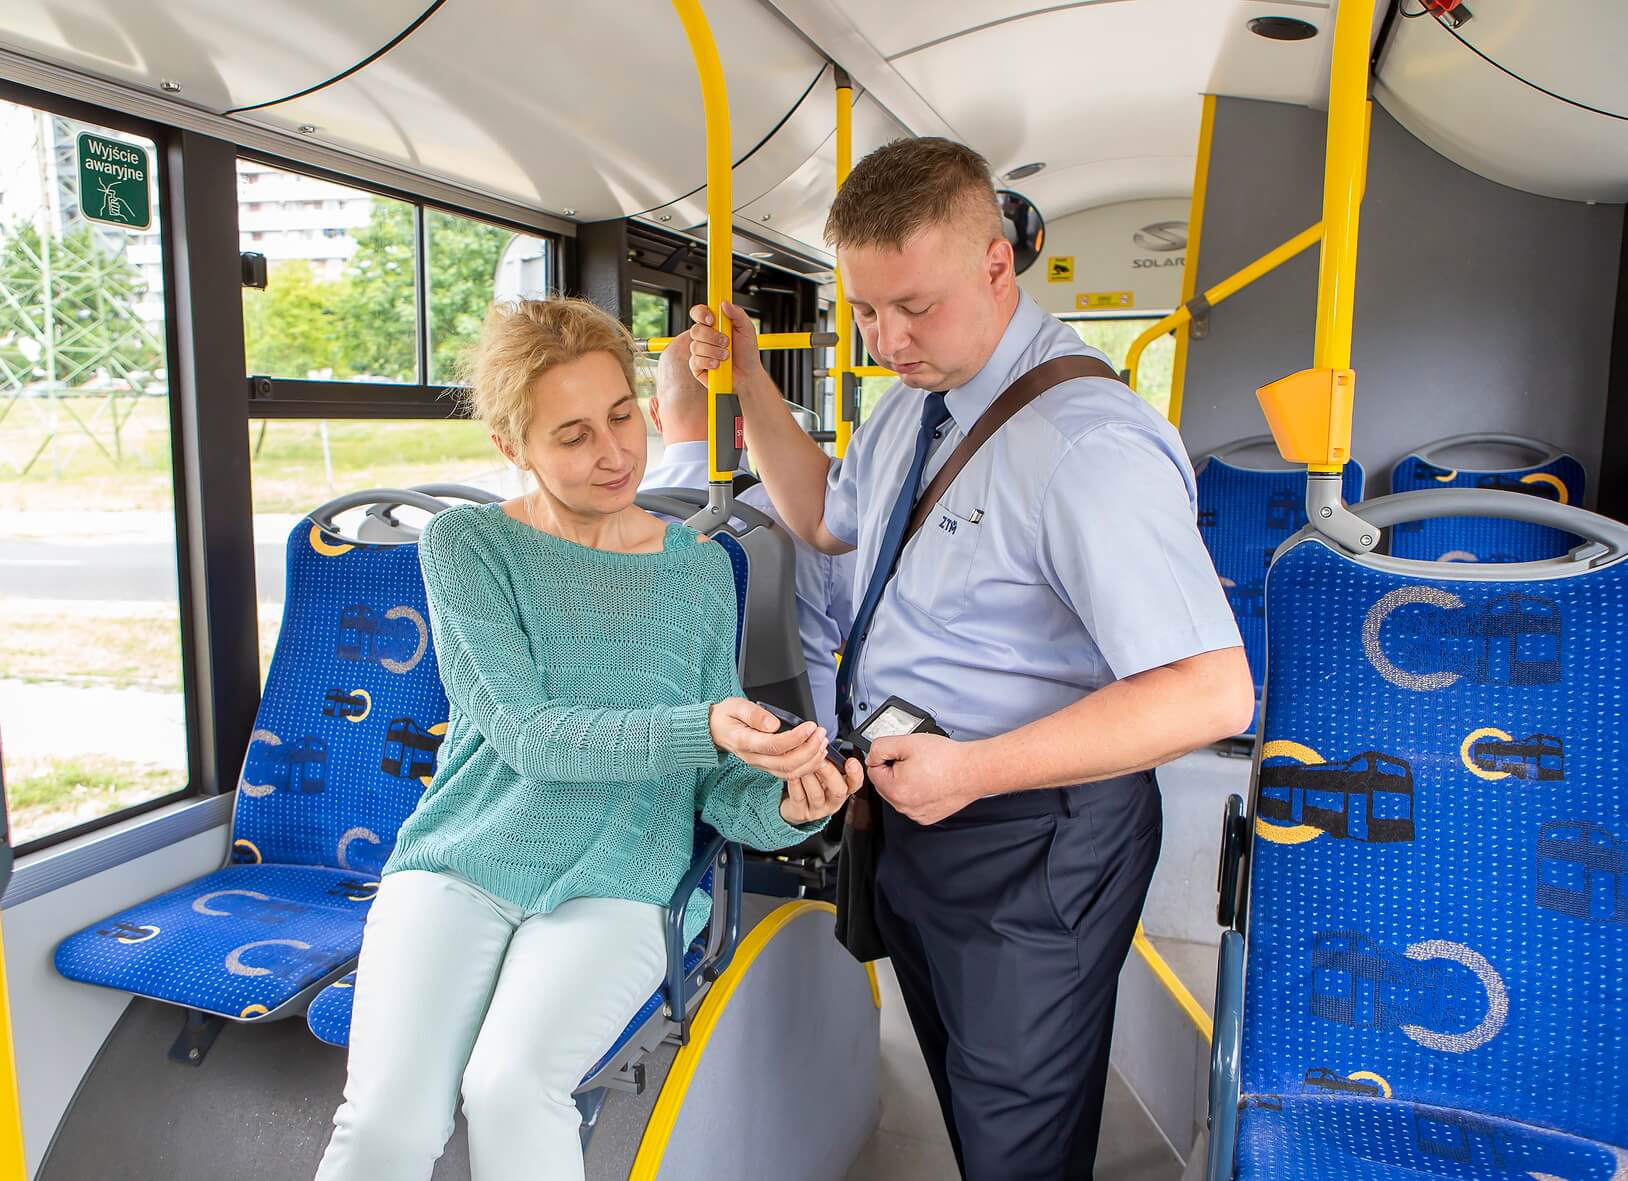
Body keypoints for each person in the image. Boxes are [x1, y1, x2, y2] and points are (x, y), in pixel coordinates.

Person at [688, 138, 1252, 1180]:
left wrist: (976, 770)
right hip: (917, 804)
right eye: (862, 311)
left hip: (1031, 833)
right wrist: (752, 383)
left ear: (997, 265)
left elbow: (1209, 691)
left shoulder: (1087, 448)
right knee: (962, 1088)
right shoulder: (909, 402)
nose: (886, 338)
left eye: (913, 305)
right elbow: (821, 517)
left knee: (1016, 1135)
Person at [314, 297, 865, 1181]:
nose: (612, 454)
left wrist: (791, 804)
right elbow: (530, 735)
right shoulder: (468, 546)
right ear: (512, 445)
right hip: (462, 859)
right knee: (384, 1122)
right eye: (571, 436)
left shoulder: (700, 572)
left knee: (511, 1086)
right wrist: (705, 726)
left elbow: (715, 786)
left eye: (620, 417)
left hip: (620, 875)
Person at [639, 331, 856, 735]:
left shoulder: (623, 515)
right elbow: (858, 635)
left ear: (654, 413)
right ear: (744, 415)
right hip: (800, 751)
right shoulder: (809, 512)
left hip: (667, 742)